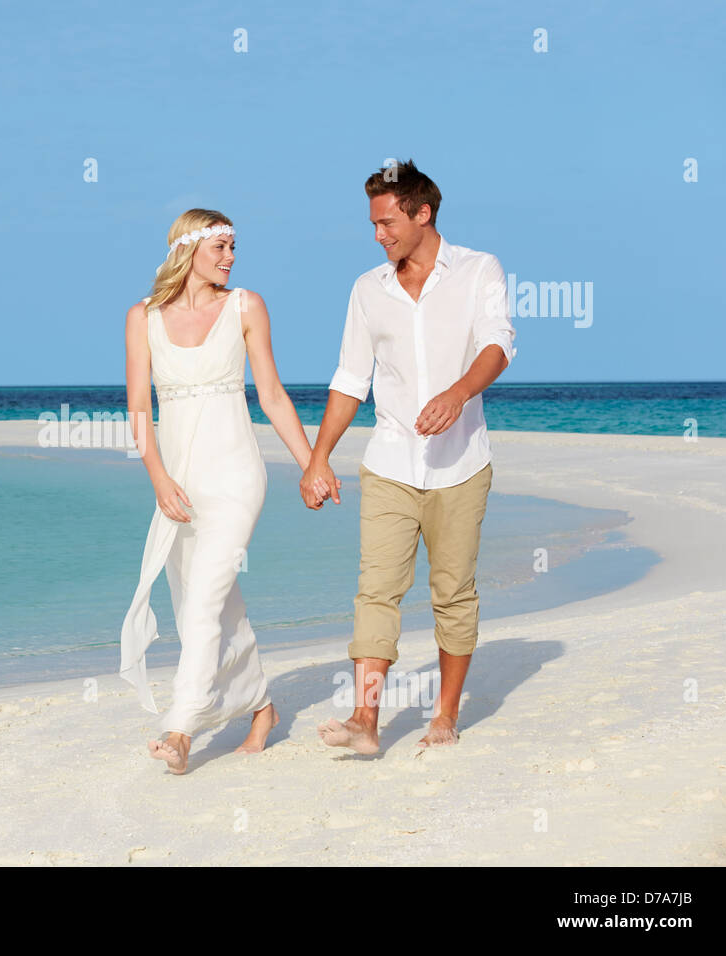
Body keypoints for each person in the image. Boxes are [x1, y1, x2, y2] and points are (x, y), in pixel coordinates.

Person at [304, 160, 517, 753]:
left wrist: (458, 392)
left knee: (452, 593)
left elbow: (499, 344)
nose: (379, 234)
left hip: (461, 464)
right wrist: (319, 458)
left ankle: (445, 716)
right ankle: (365, 722)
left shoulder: (479, 270)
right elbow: (351, 379)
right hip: (391, 462)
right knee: (377, 590)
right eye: (373, 224)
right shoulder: (367, 289)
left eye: (387, 222)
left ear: (423, 214)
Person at [121, 208, 330, 774]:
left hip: (237, 474)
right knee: (205, 602)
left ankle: (181, 727)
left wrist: (314, 462)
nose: (231, 257)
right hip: (179, 482)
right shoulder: (142, 317)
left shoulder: (246, 307)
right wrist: (158, 478)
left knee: (205, 602)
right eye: (220, 247)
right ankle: (260, 704)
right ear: (188, 250)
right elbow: (140, 409)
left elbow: (273, 395)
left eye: (234, 246)